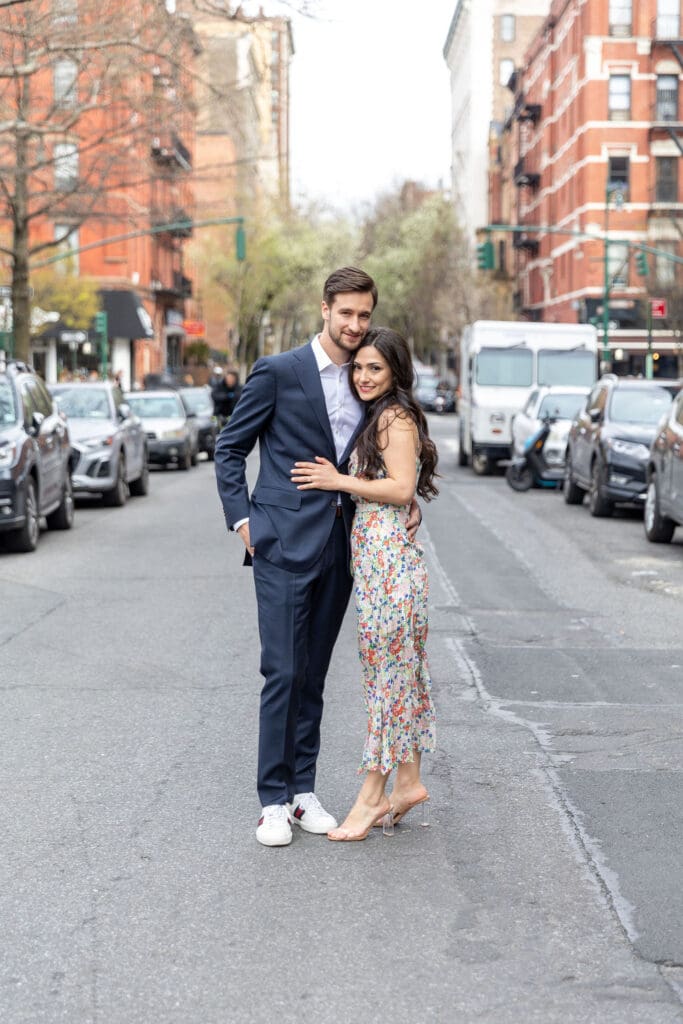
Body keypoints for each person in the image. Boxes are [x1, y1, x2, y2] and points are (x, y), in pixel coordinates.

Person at [214, 267, 421, 847]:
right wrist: (244, 520)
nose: (356, 325)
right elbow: (230, 448)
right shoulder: (280, 372)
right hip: (281, 541)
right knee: (281, 670)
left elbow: (386, 461)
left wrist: (407, 503)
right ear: (325, 309)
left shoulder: (366, 379)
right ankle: (272, 801)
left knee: (313, 674)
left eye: (364, 315)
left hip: (341, 545)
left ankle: (303, 790)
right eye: (346, 313)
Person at [290, 327, 438, 842]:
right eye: (359, 367)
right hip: (380, 570)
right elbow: (402, 489)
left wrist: (339, 481)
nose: (364, 376)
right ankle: (410, 782)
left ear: (396, 371)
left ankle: (371, 798)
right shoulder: (383, 417)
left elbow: (399, 487)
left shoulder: (394, 417)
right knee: (400, 680)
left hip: (392, 575)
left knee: (386, 687)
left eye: (375, 367)